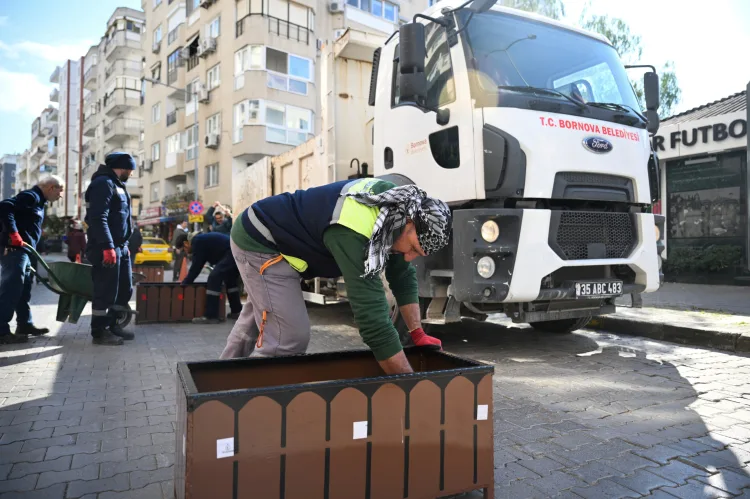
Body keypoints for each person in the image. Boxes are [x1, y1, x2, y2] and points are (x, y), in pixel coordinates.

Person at [222, 179, 451, 375]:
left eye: (417, 254)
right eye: (412, 248)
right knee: (288, 338)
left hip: (278, 238)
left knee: (258, 319)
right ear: (409, 223)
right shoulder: (355, 230)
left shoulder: (397, 208)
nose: (410, 257)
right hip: (261, 242)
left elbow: (402, 276)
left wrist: (417, 333)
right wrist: (411, 386)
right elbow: (373, 320)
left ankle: (221, 381)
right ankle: (256, 409)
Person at [0, 175, 65, 344]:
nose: (61, 195)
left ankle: (25, 324)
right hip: (15, 250)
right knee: (12, 288)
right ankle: (1, 330)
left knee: (24, 289)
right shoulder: (31, 196)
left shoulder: (39, 202)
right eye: (60, 190)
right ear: (51, 187)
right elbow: (4, 206)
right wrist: (13, 233)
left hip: (26, 251)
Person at [84, 152, 136, 346]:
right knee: (105, 291)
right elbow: (98, 218)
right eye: (131, 169)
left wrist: (125, 245)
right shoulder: (103, 184)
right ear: (123, 167)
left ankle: (113, 325)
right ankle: (99, 331)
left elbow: (120, 219)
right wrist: (108, 247)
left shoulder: (117, 185)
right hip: (105, 248)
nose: (131, 173)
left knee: (124, 289)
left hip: (120, 248)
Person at [182, 232, 242, 324]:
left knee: (214, 278)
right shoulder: (202, 241)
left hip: (231, 252)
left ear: (186, 243)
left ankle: (211, 315)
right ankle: (236, 311)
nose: (186, 252)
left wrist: (185, 283)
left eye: (184, 249)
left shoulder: (197, 242)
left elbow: (196, 267)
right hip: (236, 252)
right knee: (230, 280)